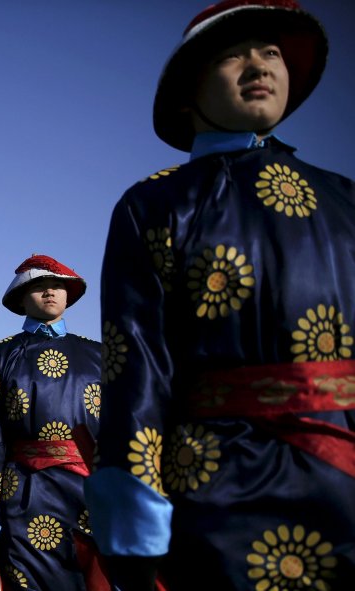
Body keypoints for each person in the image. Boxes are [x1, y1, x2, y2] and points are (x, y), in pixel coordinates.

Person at [85, 1, 354, 588]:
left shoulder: (343, 198)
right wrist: (136, 517)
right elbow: (136, 365)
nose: (259, 65)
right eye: (233, 54)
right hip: (219, 487)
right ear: (187, 93)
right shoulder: (155, 204)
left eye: (272, 53)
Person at [0, 254, 102, 590]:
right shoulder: (0, 354)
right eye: (39, 286)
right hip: (27, 490)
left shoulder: (100, 353)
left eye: (58, 285)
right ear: (20, 298)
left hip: (96, 488)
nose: (50, 292)